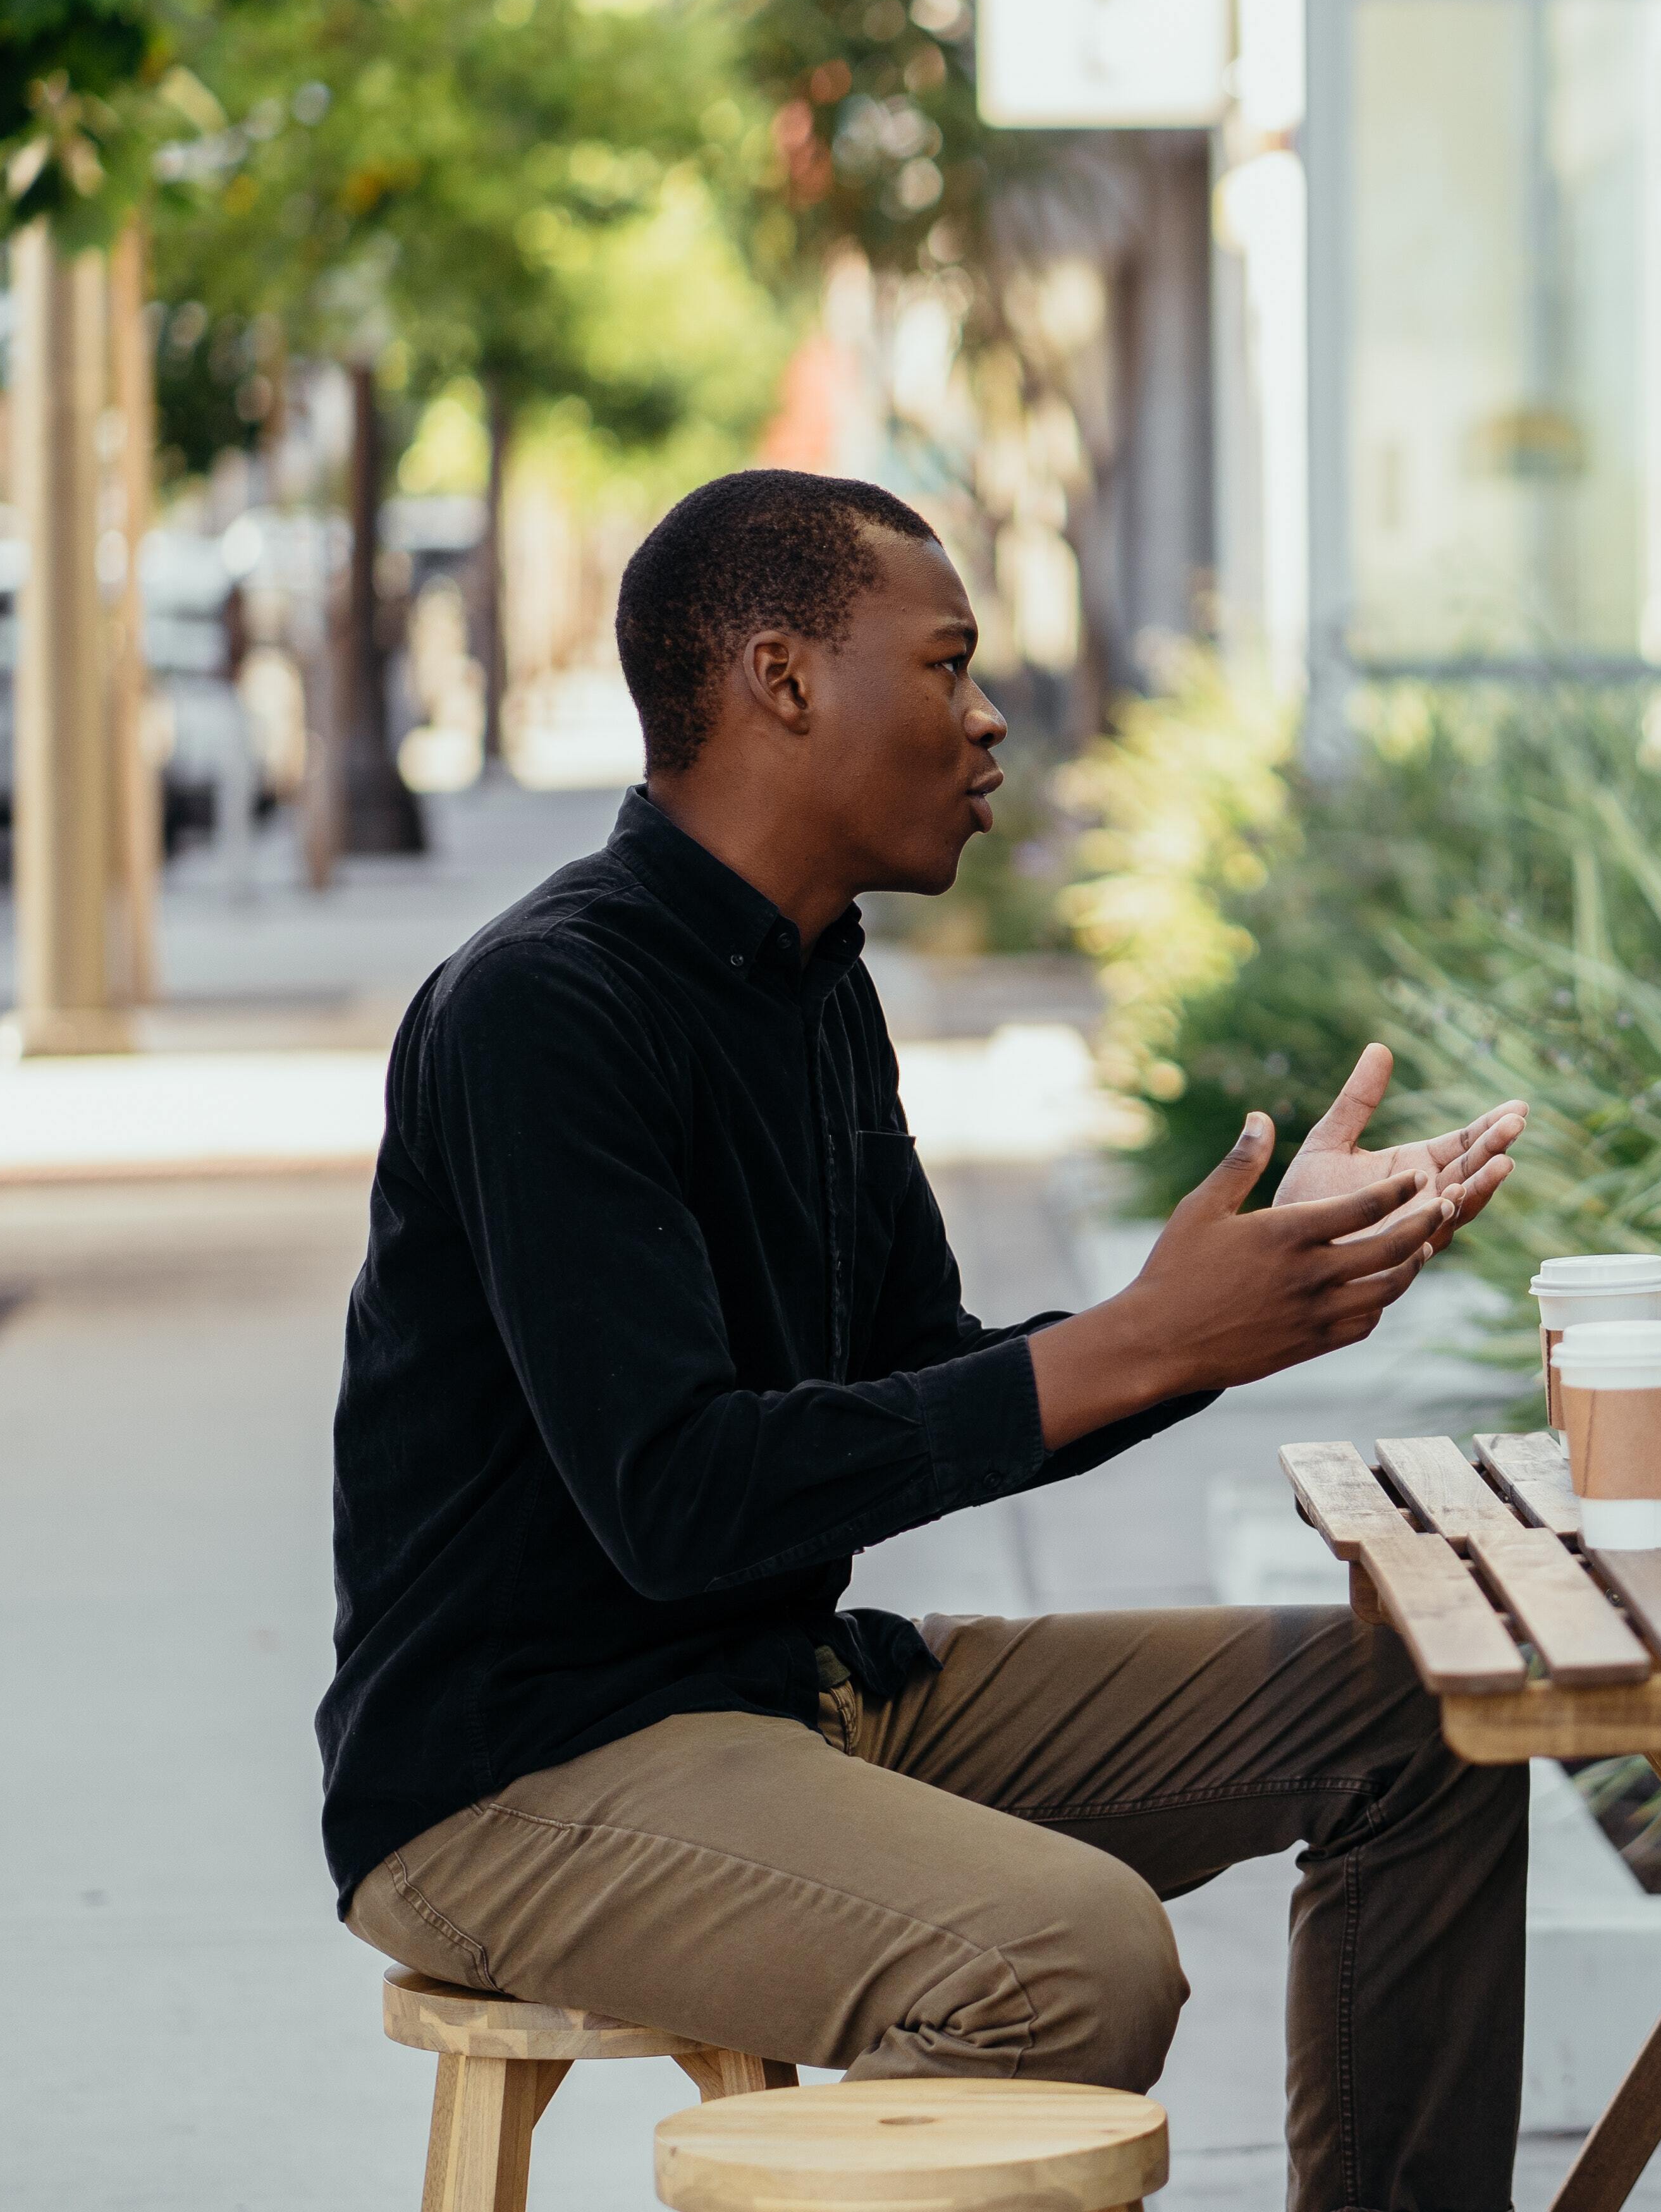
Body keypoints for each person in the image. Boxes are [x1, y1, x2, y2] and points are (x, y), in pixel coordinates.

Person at [317, 469, 1533, 2212]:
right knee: (1066, 1958)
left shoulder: (821, 986)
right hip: (517, 1769)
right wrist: (1139, 1340)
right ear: (782, 678)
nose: (986, 725)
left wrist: (1218, 1319)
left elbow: (918, 1368)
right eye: (949, 665)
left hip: (787, 1695)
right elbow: (676, 1498)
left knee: (1423, 1706)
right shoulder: (543, 1011)